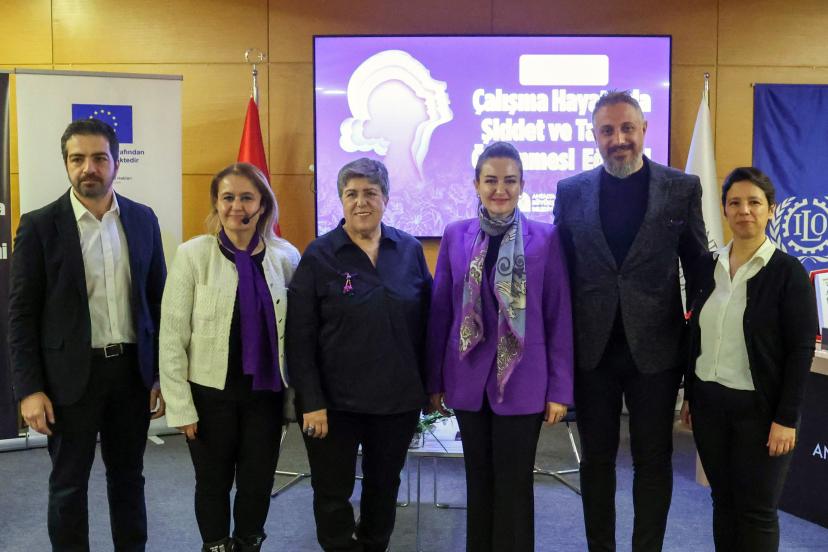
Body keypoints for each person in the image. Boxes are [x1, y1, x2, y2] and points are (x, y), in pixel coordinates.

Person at [552, 90, 707, 552]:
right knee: (596, 463)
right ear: (594, 135)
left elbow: (700, 276)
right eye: (607, 130)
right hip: (592, 353)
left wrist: (694, 362)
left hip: (657, 355)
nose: (618, 139)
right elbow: (559, 277)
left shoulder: (681, 188)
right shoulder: (571, 192)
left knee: (653, 462)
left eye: (626, 129)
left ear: (643, 130)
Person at [8, 118, 167, 551]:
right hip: (68, 379)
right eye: (77, 159)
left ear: (116, 163)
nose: (88, 168)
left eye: (99, 158)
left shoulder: (142, 219)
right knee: (68, 484)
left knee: (129, 478)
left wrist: (159, 375)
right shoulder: (40, 226)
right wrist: (29, 389)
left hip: (131, 375)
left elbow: (158, 303)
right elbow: (21, 315)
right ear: (66, 163)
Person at [426, 141, 574, 552]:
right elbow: (441, 312)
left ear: (522, 185)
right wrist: (434, 380)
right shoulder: (455, 235)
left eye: (510, 180)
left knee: (514, 487)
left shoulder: (546, 238)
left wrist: (560, 390)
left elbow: (558, 316)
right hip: (468, 381)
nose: (500, 189)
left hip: (524, 383)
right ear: (476, 184)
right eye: (490, 180)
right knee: (478, 483)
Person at [286, 158, 432, 552]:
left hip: (396, 402)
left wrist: (429, 387)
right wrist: (311, 402)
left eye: (370, 193)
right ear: (341, 200)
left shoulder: (409, 250)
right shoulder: (319, 255)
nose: (361, 202)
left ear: (386, 198)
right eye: (351, 194)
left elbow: (428, 324)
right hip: (333, 405)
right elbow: (299, 337)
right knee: (332, 492)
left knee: (384, 488)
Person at [159, 163, 299, 552]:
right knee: (212, 482)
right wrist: (180, 406)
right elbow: (172, 336)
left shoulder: (286, 257)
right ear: (217, 204)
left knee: (257, 483)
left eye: (247, 198)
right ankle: (216, 546)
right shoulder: (193, 255)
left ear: (262, 205)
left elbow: (298, 333)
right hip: (209, 397)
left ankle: (249, 543)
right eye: (228, 197)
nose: (237, 206)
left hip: (265, 397)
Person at [680, 167, 818, 552]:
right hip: (710, 406)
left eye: (754, 202)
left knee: (756, 511)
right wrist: (690, 395)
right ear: (724, 210)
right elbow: (696, 336)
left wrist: (786, 419)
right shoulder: (706, 267)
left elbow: (800, 351)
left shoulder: (788, 273)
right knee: (723, 503)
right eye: (735, 203)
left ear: (771, 210)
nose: (745, 211)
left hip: (761, 412)